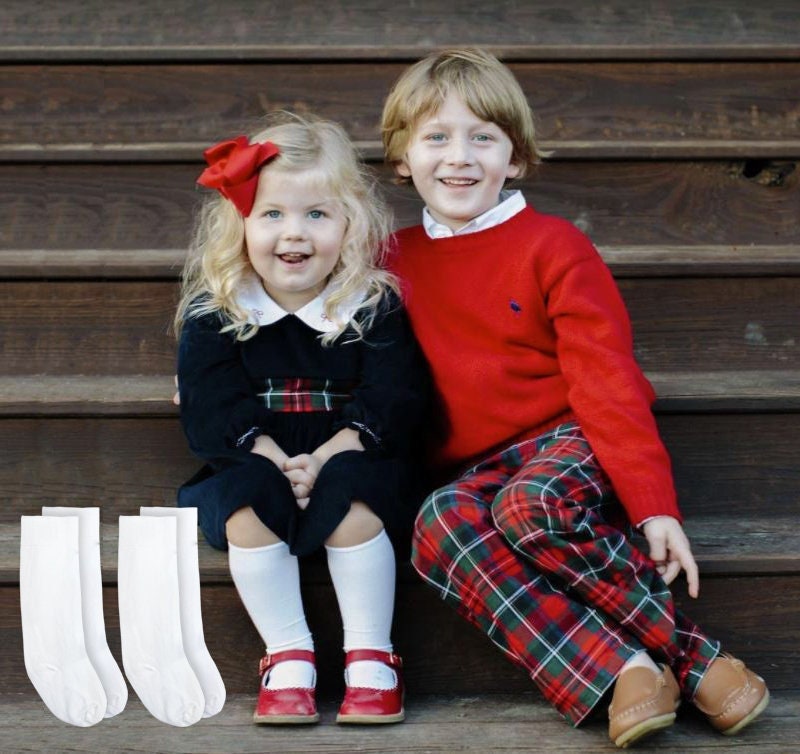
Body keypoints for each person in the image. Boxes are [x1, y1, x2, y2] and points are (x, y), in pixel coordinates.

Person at [380, 48, 769, 748]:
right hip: (472, 470)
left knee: (527, 506)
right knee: (437, 523)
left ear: (516, 157)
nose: (459, 157)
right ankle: (626, 668)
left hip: (569, 438)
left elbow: (606, 377)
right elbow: (315, 322)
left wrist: (652, 503)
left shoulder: (553, 245)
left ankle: (692, 655)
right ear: (403, 158)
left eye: (482, 138)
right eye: (436, 137)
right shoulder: (390, 259)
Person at [174, 113, 429, 726]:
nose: (295, 233)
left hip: (350, 453)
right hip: (252, 455)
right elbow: (211, 408)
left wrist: (327, 456)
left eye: (317, 214)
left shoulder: (370, 305)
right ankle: (288, 655)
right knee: (245, 503)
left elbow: (395, 397)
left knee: (354, 493)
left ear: (350, 224)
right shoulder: (218, 311)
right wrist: (268, 456)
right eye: (272, 215)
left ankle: (372, 655)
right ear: (239, 223)